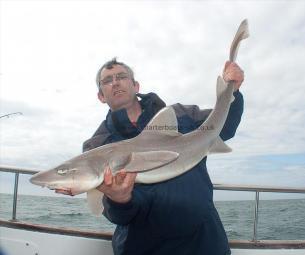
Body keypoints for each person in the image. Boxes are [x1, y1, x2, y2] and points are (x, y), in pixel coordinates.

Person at [60, 57, 244, 255]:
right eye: (107, 80)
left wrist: (232, 92)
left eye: (121, 76)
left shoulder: (180, 115)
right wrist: (120, 200)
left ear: (136, 85)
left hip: (204, 242)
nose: (115, 82)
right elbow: (116, 215)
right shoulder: (96, 146)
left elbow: (223, 127)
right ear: (100, 96)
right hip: (144, 247)